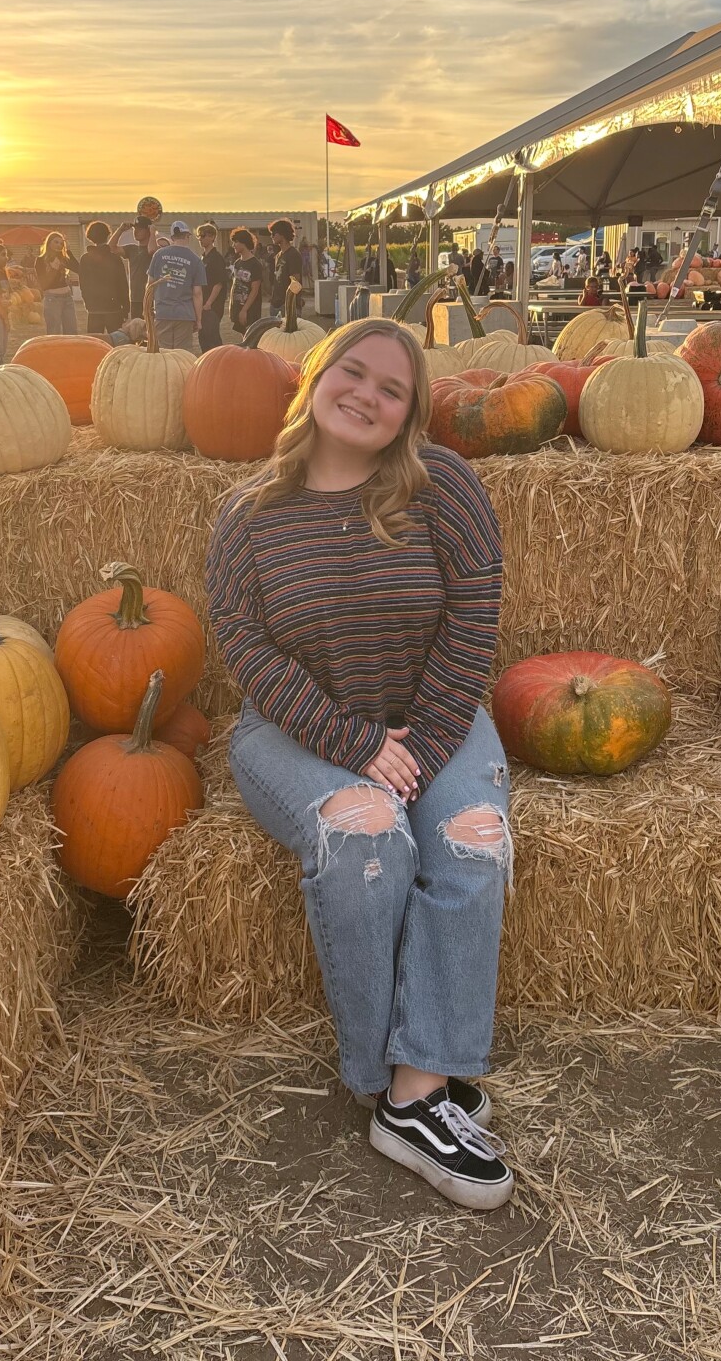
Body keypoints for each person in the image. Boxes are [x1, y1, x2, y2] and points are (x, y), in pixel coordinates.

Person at [207, 318, 513, 1210]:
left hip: (433, 716)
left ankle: (415, 1093)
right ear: (316, 378)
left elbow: (474, 621)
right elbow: (246, 649)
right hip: (293, 731)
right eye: (353, 372)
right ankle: (389, 1079)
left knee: (471, 839)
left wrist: (419, 747)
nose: (367, 395)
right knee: (365, 832)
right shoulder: (248, 514)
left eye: (392, 388)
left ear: (409, 414)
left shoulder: (442, 487)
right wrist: (357, 748)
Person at [145, 220, 205, 353]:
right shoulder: (195, 260)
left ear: (172, 238)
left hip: (163, 312)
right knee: (181, 355)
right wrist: (198, 320)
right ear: (188, 236)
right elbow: (197, 293)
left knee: (163, 353)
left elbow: (150, 285)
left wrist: (148, 309)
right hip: (184, 314)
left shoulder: (159, 255)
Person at [78, 221, 130, 336]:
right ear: (107, 235)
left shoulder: (85, 259)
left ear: (89, 237)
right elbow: (122, 284)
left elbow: (83, 284)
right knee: (116, 341)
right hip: (113, 307)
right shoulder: (115, 258)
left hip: (94, 308)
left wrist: (88, 302)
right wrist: (126, 307)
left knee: (95, 342)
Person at [36, 232, 79, 334]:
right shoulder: (40, 260)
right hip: (52, 299)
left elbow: (78, 269)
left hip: (67, 297)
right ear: (49, 243)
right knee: (54, 331)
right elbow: (43, 285)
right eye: (56, 242)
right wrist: (53, 270)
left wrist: (68, 251)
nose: (59, 245)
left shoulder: (62, 259)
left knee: (72, 331)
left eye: (61, 243)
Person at [114, 217, 156, 321]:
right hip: (135, 298)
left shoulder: (155, 248)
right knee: (136, 329)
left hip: (150, 298)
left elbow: (152, 251)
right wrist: (120, 230)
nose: (136, 232)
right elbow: (111, 248)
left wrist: (152, 233)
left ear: (148, 230)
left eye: (140, 229)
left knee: (150, 328)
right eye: (134, 229)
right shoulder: (131, 249)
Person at [197, 222, 229, 353]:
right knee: (203, 337)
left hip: (212, 307)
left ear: (212, 237)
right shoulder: (203, 257)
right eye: (199, 236)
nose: (200, 239)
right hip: (202, 304)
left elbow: (219, 283)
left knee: (212, 339)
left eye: (203, 235)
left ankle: (219, 362)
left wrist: (209, 303)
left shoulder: (216, 258)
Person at [228, 227, 264, 334]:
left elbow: (255, 290)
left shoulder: (255, 264)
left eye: (236, 242)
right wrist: (231, 306)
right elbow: (234, 285)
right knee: (243, 338)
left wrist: (244, 310)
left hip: (250, 310)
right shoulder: (237, 263)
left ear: (244, 243)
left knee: (251, 338)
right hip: (237, 307)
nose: (233, 245)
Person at [270, 218, 304, 315]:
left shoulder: (293, 254)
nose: (271, 236)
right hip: (276, 304)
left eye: (274, 233)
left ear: (282, 234)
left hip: (288, 305)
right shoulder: (278, 256)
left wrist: (290, 304)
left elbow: (295, 281)